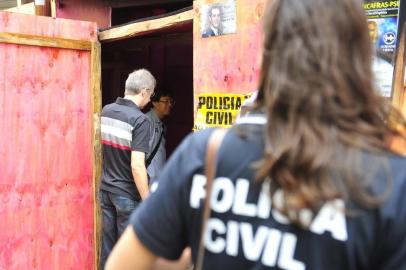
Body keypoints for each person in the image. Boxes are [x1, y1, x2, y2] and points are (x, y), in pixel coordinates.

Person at [106, 0, 406, 269]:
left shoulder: (205, 154)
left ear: (272, 52)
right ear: (359, 54)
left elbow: (123, 263)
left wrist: (197, 250)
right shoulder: (391, 182)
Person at [99, 68, 156, 269]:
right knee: (130, 256)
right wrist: (148, 200)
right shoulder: (140, 120)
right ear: (144, 91)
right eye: (150, 95)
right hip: (127, 195)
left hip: (106, 190)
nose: (150, 100)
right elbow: (137, 166)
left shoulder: (106, 111)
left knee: (108, 248)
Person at [145, 91, 175, 185]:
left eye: (171, 101)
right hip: (149, 178)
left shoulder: (161, 124)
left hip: (156, 177)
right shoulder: (146, 121)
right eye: (166, 101)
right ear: (154, 102)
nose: (170, 104)